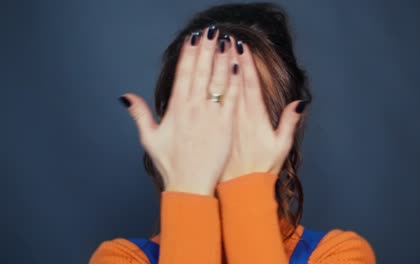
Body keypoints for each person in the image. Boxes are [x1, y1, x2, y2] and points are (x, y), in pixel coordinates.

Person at [89, 2, 376, 264]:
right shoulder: (120, 259)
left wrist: (247, 189)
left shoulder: (339, 255)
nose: (220, 133)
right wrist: (189, 191)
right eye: (205, 103)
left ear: (286, 127)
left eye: (243, 107)